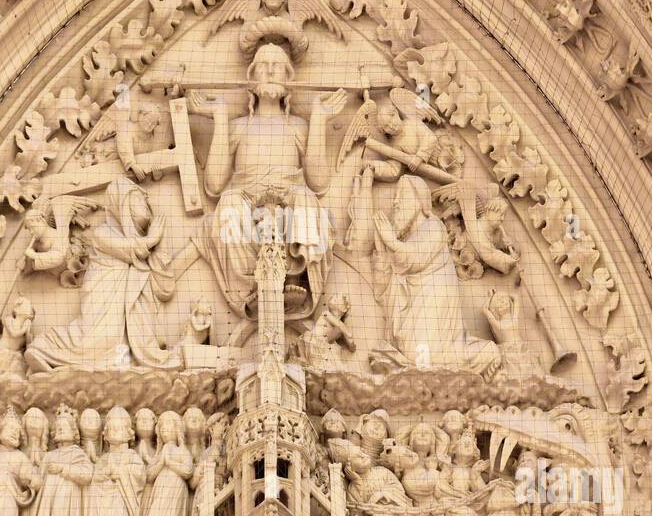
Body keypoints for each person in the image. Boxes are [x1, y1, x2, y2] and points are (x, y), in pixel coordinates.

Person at [196, 42, 345, 320]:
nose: (271, 70)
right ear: (251, 78)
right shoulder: (239, 126)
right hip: (245, 207)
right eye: (263, 65)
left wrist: (319, 120)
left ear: (289, 78)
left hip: (289, 207)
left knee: (307, 200)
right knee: (227, 204)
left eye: (278, 65)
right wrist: (219, 118)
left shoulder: (298, 126)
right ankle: (250, 285)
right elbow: (215, 185)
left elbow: (319, 182)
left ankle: (295, 277)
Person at [26, 178, 179, 371]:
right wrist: (153, 237)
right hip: (103, 296)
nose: (145, 206)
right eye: (138, 201)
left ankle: (119, 361)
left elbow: (164, 284)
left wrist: (157, 244)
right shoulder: (103, 234)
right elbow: (134, 250)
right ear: (121, 206)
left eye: (144, 201)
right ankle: (44, 349)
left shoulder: (142, 245)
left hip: (119, 302)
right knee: (96, 339)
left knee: (115, 342)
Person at [372, 176, 500, 373]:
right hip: (416, 313)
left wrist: (391, 242)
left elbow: (415, 259)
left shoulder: (433, 227)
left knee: (423, 359)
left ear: (420, 202)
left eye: (401, 196)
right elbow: (383, 287)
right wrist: (381, 251)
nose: (395, 202)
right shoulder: (407, 241)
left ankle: (484, 353)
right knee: (419, 359)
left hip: (431, 307)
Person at [23, 409, 94, 516]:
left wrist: (63, 469)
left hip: (68, 498)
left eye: (64, 427)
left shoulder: (78, 454)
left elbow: (87, 475)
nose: (60, 429)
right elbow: (39, 479)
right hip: (47, 500)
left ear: (74, 432)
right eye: (58, 427)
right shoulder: (49, 455)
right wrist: (31, 482)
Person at [139, 411, 194, 516]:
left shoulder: (181, 450)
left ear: (177, 429)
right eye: (161, 426)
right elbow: (149, 475)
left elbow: (188, 471)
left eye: (168, 424)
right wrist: (161, 462)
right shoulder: (160, 452)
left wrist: (169, 463)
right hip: (160, 488)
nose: (164, 428)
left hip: (176, 488)